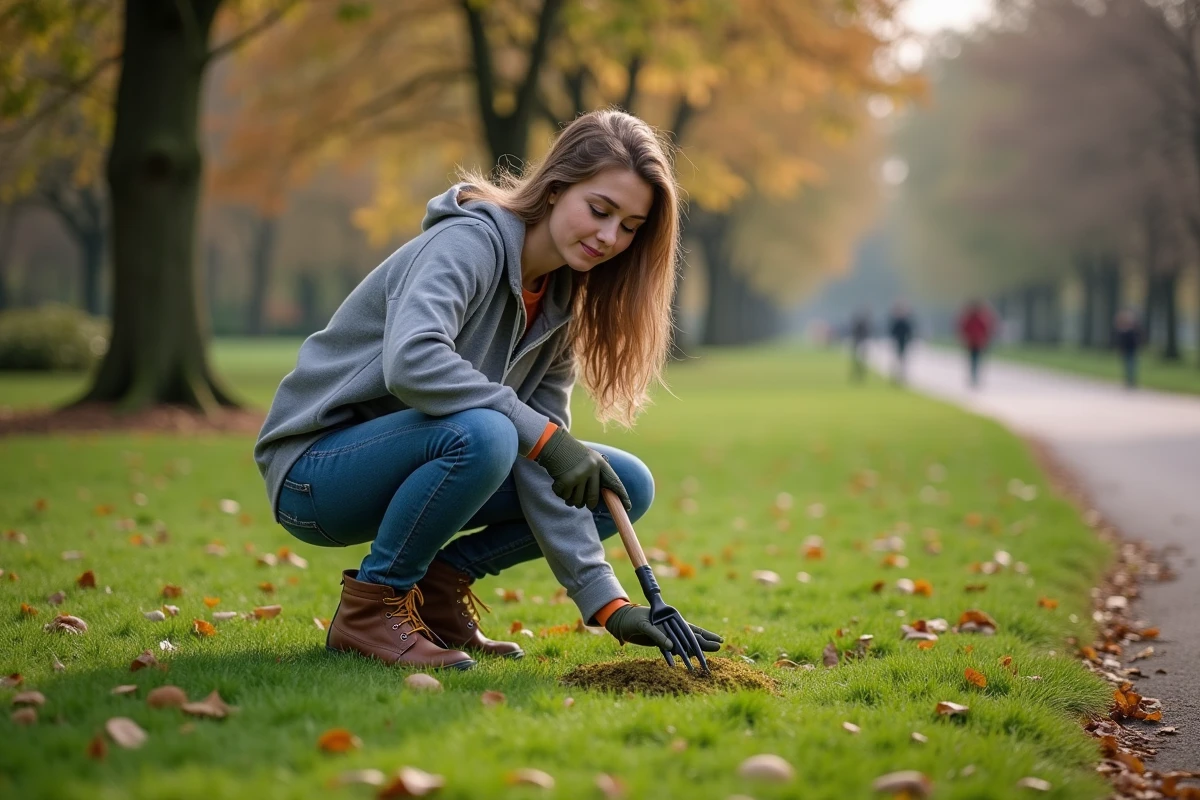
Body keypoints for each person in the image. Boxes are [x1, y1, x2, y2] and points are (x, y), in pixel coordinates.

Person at [254, 110, 722, 670]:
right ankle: (370, 611)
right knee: (490, 432)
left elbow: (544, 458)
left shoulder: (560, 302)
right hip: (316, 476)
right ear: (553, 189)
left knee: (620, 485)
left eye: (629, 226)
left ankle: (435, 591)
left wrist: (610, 606)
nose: (609, 236)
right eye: (599, 210)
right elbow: (412, 361)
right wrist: (546, 440)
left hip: (423, 460)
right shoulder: (467, 243)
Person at [957, 299, 995, 388]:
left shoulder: (975, 318)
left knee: (974, 360)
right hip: (975, 342)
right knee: (975, 360)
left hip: (975, 342)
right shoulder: (978, 318)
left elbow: (986, 329)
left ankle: (974, 377)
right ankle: (974, 377)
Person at [887, 301, 915, 384]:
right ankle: (896, 377)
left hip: (903, 343)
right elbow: (892, 332)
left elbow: (909, 333)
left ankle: (901, 376)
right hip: (897, 342)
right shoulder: (897, 321)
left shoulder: (904, 322)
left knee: (902, 361)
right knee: (897, 360)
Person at [1114, 309, 1141, 389]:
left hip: (1132, 349)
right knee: (1128, 365)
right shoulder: (1123, 330)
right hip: (1127, 350)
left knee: (1131, 365)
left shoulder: (1132, 329)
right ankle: (1129, 380)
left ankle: (1131, 381)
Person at [848, 308, 872, 382]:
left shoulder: (859, 325)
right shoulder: (863, 325)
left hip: (859, 343)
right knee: (859, 361)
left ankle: (858, 374)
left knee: (858, 361)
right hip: (859, 343)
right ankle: (858, 374)